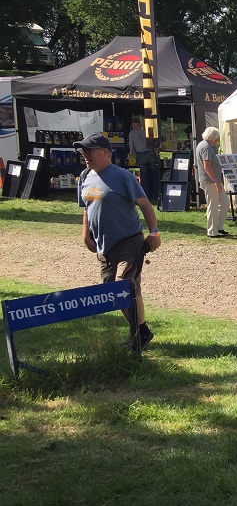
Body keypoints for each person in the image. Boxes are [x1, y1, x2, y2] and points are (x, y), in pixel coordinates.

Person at [74, 132, 161, 350]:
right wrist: (86, 235)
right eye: (83, 151)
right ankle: (141, 331)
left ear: (105, 152)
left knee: (126, 284)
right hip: (104, 245)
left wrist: (154, 233)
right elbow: (86, 208)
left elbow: (145, 204)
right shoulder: (84, 177)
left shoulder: (122, 176)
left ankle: (138, 336)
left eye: (89, 150)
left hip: (128, 240)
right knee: (111, 291)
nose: (85, 155)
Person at [196, 126, 229, 237]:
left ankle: (219, 227)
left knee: (224, 202)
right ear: (213, 138)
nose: (217, 140)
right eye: (217, 138)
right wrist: (215, 182)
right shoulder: (206, 147)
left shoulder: (205, 145)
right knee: (213, 205)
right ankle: (212, 231)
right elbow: (207, 166)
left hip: (215, 181)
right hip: (210, 182)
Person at [128, 117, 160, 203]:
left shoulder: (131, 134)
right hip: (150, 153)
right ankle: (156, 194)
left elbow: (131, 147)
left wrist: (136, 156)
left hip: (141, 154)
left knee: (144, 176)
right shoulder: (145, 132)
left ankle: (146, 194)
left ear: (133, 124)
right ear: (140, 124)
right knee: (154, 175)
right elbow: (153, 143)